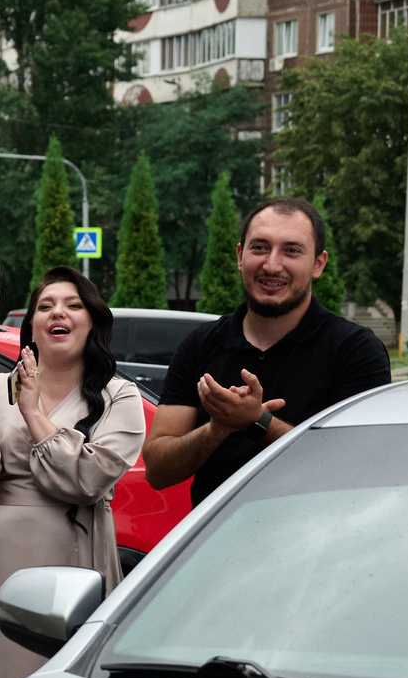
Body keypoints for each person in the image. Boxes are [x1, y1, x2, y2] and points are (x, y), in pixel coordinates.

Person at [0, 267, 147, 678]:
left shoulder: (118, 397)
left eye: (73, 305)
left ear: (92, 321)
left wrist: (32, 412)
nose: (59, 313)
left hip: (71, 559)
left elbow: (87, 479)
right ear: (30, 325)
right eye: (46, 305)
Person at [143, 198, 391, 505]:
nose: (272, 265)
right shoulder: (200, 344)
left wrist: (259, 422)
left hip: (319, 545)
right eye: (259, 247)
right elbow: (157, 470)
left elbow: (358, 466)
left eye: (292, 250)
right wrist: (216, 430)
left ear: (318, 264)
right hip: (215, 547)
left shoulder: (355, 349)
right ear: (239, 255)